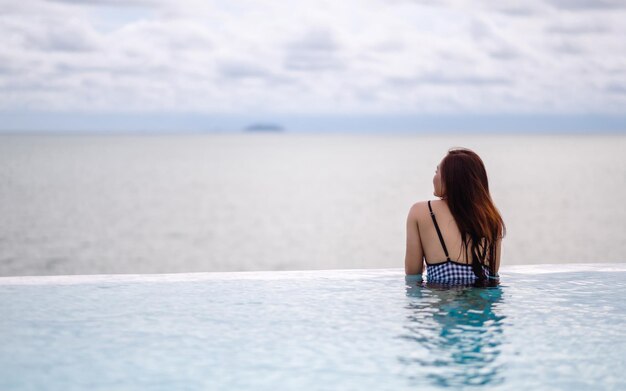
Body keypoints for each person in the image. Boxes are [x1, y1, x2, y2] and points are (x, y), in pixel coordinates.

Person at [404, 147, 505, 283]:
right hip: (482, 302)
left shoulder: (421, 212)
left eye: (437, 171)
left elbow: (412, 276)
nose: (434, 177)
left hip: (444, 299)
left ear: (450, 178)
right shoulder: (491, 219)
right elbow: (493, 277)